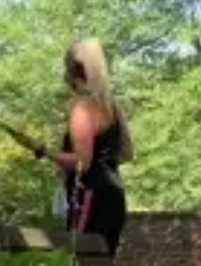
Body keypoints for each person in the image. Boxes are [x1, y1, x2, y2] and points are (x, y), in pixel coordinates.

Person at [42, 38, 134, 254]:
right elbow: (126, 154)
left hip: (90, 198)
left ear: (72, 72)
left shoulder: (83, 109)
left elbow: (82, 162)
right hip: (114, 195)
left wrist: (44, 151)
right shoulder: (111, 107)